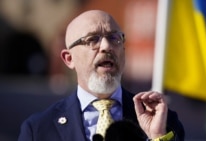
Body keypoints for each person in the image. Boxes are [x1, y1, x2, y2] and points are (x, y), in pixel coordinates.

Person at [17, 10, 185, 141]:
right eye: (92, 39)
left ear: (123, 51)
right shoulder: (38, 129)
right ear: (69, 59)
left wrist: (157, 137)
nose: (106, 46)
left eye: (114, 38)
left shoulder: (163, 121)